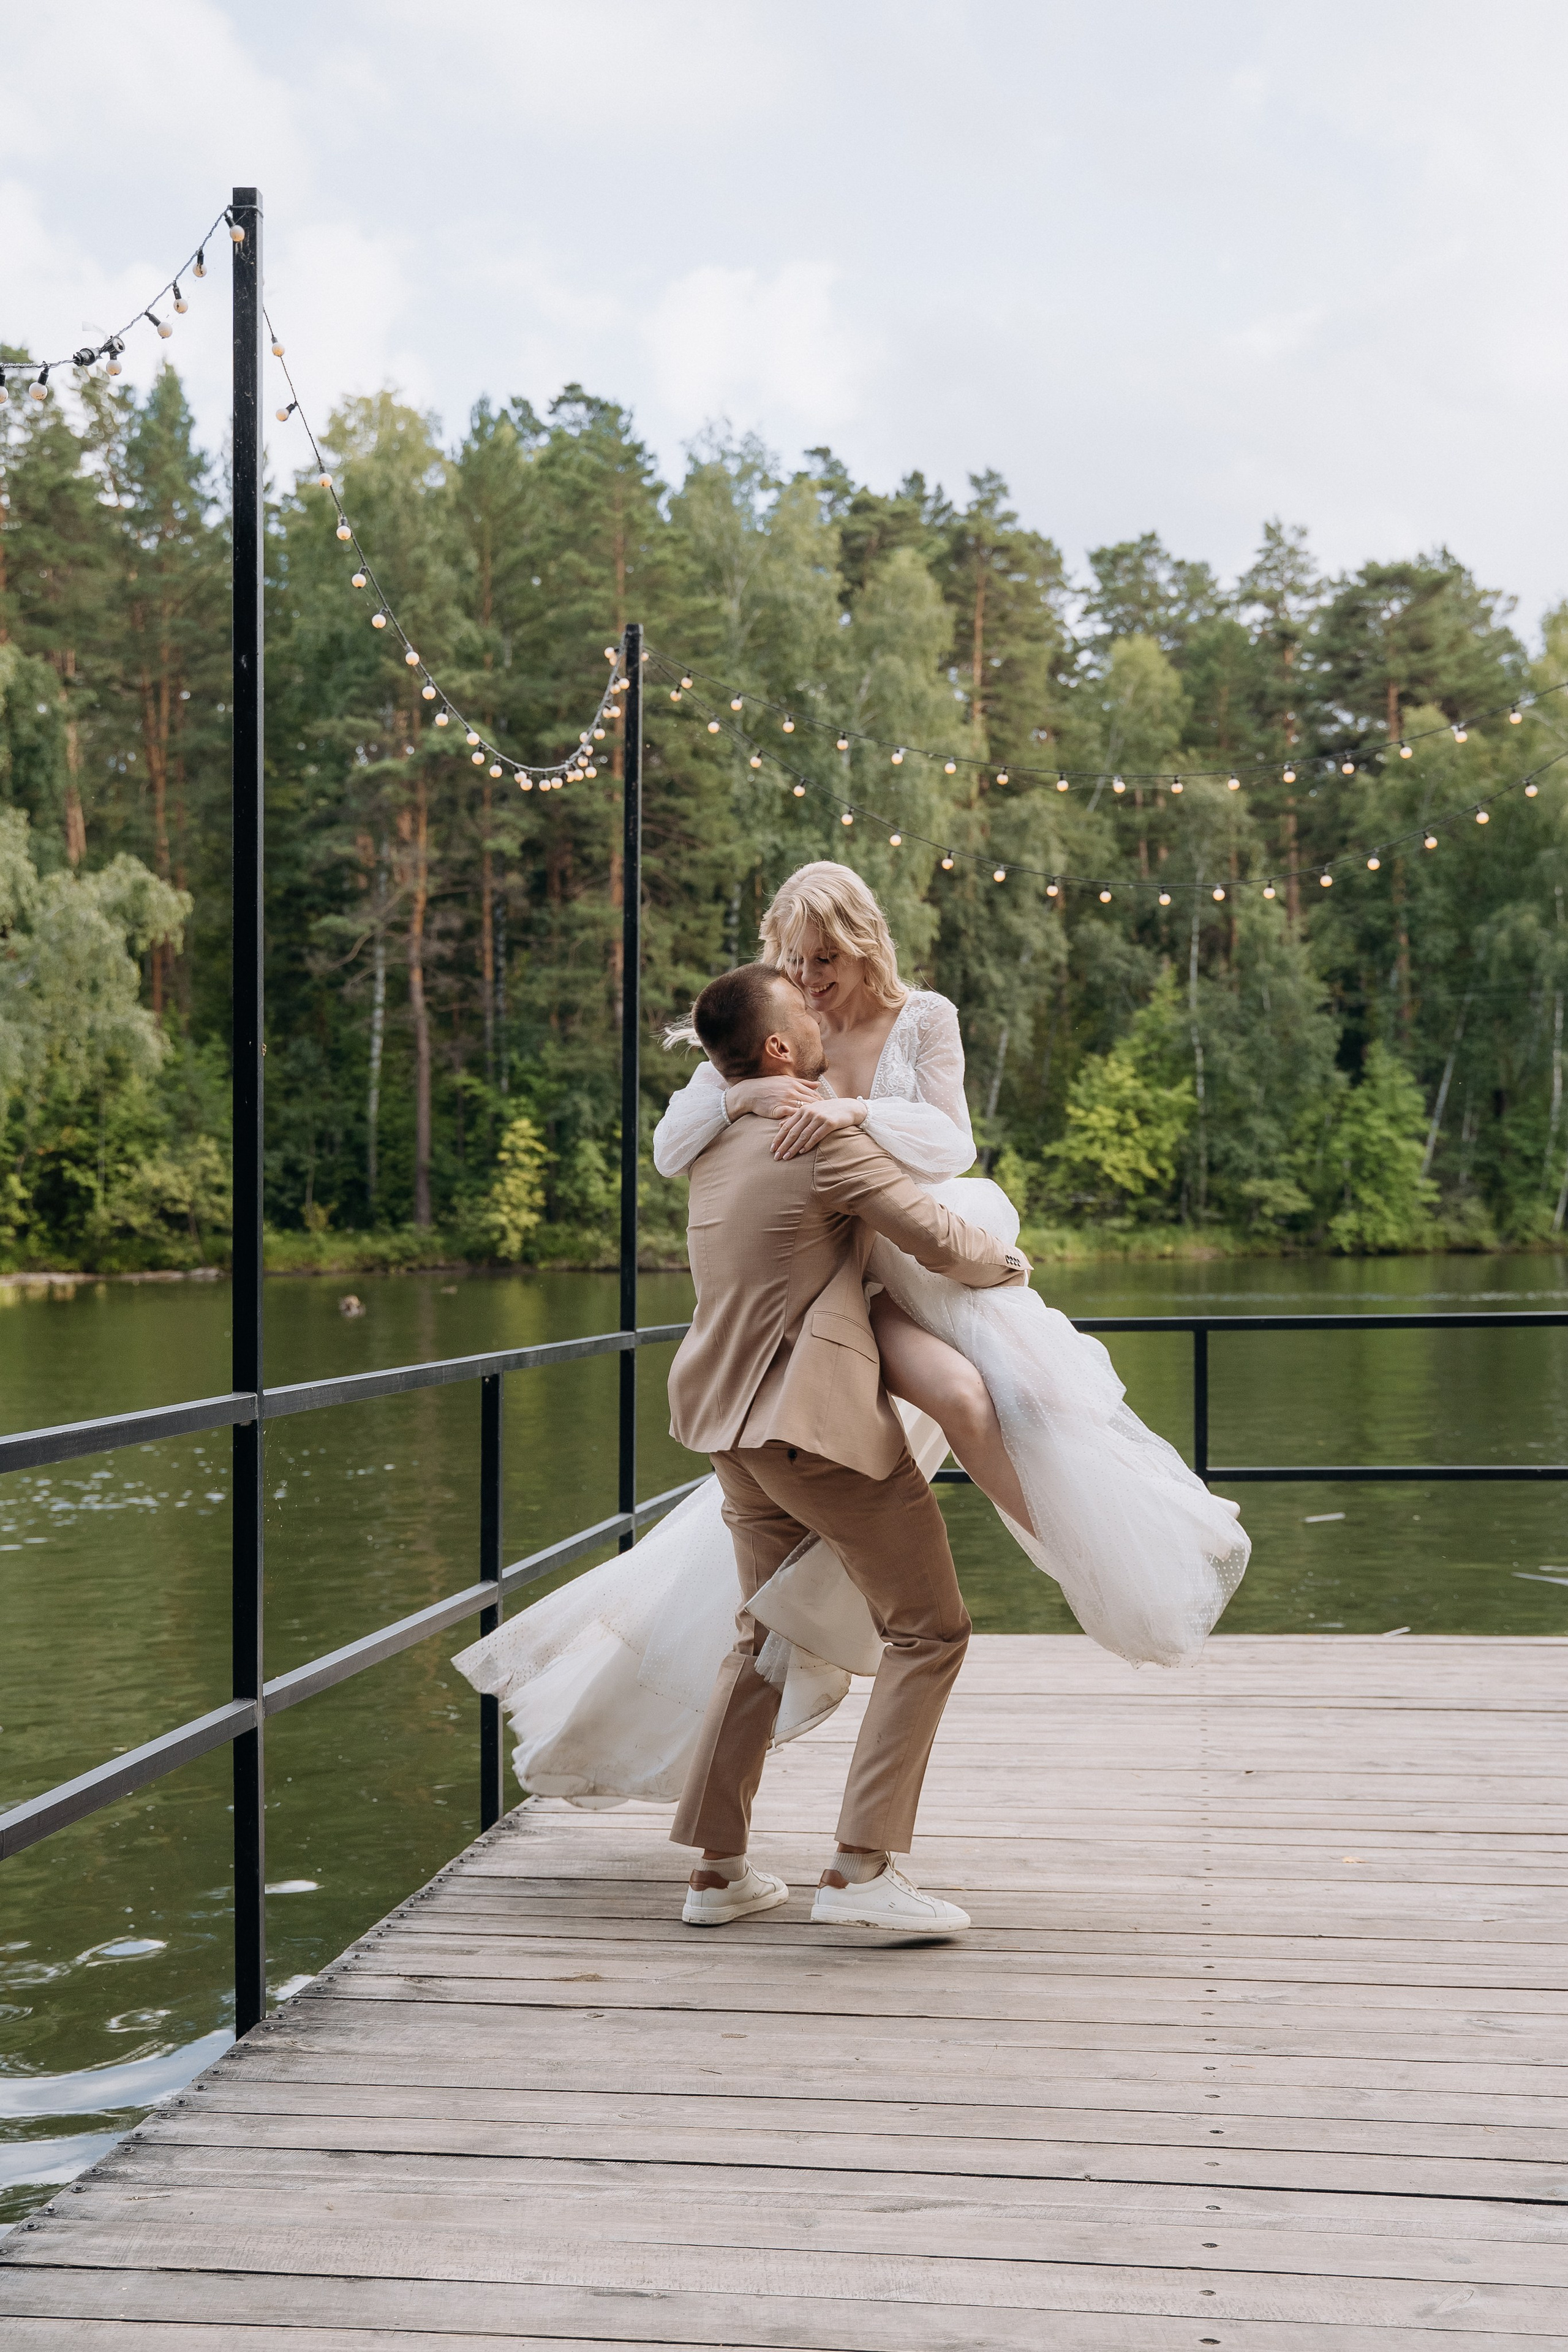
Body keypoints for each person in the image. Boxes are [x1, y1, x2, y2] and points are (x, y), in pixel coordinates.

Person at [454, 861, 1248, 1812]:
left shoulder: (919, 1019)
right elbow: (676, 1147)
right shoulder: (782, 1031)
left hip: (902, 1261)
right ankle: (807, 1842)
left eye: (826, 957)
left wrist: (854, 1111)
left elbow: (951, 1147)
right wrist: (747, 1096)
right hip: (839, 1278)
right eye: (797, 959)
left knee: (1004, 1395)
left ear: (865, 942)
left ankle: (1082, 1554)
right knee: (865, 1542)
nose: (813, 974)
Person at [665, 960, 1030, 1932]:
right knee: (930, 1629)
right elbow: (935, 1234)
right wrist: (1009, 1262)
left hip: (727, 1427)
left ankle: (717, 1872)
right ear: (779, 1049)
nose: (822, 1012)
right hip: (812, 1427)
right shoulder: (812, 1136)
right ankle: (862, 1873)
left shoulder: (719, 1145)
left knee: (763, 1632)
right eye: (803, 1010)